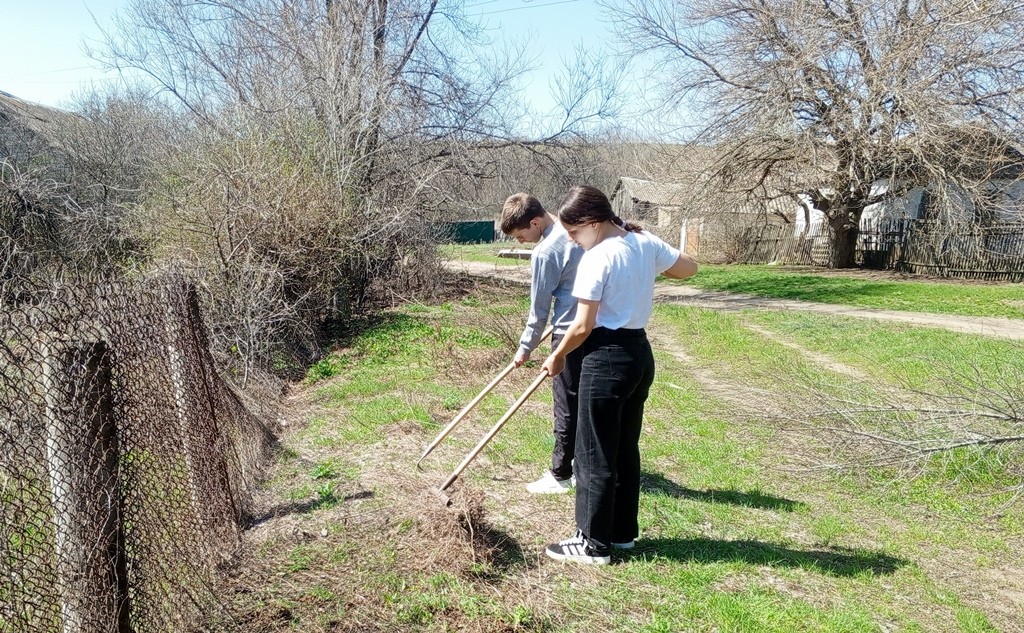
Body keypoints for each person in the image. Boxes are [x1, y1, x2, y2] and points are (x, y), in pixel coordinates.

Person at [540, 185, 698, 564]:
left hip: (605, 357)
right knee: (625, 446)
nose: (575, 243)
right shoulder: (643, 242)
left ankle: (592, 543)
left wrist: (558, 357)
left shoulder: (598, 257)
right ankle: (622, 534)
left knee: (593, 450)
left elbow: (581, 327)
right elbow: (689, 268)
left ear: (592, 223)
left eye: (575, 234)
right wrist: (647, 259)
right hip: (638, 355)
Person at [499, 192, 585, 494]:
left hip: (567, 332)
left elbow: (539, 310)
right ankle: (580, 465)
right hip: (594, 327)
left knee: (566, 406)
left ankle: (561, 473)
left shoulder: (546, 251)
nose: (520, 241)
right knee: (582, 403)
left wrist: (525, 349)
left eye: (521, 234)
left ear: (535, 222)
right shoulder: (578, 229)